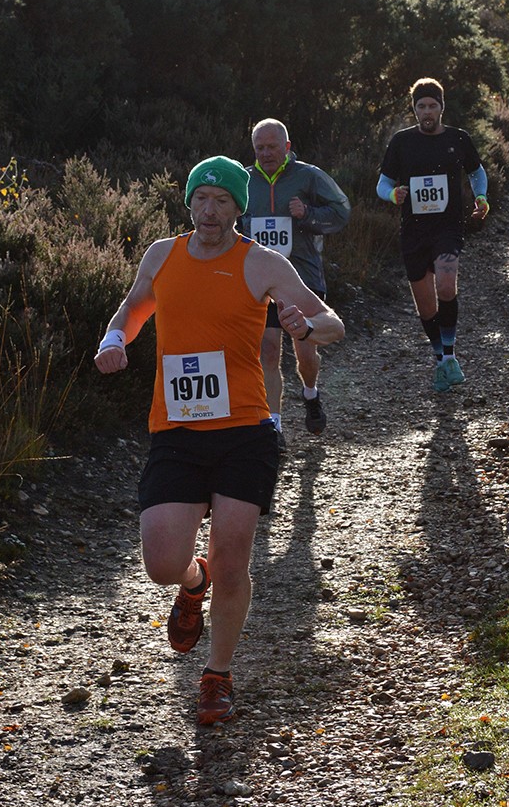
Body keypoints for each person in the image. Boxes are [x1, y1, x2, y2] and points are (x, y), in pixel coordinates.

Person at [94, 155, 344, 726]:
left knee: (234, 561)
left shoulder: (262, 263)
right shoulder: (162, 255)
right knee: (162, 563)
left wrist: (307, 327)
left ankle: (217, 675)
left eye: (222, 201)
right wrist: (115, 340)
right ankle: (192, 581)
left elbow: (332, 322)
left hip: (244, 432)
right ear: (190, 203)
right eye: (201, 199)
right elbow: (133, 308)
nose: (210, 211)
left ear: (238, 209)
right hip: (177, 432)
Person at [241, 118, 350, 445]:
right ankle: (273, 427)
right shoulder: (245, 181)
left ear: (286, 147)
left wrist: (308, 214)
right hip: (262, 282)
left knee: (304, 350)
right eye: (259, 148)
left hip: (303, 276)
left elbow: (342, 212)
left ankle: (310, 392)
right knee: (268, 349)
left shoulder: (308, 176)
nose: (265, 153)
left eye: (272, 147)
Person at [377, 77, 489, 393]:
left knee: (447, 285)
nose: (427, 111)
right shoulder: (402, 142)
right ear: (414, 109)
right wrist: (392, 195)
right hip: (413, 231)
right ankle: (441, 360)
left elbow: (477, 171)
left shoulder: (458, 138)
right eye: (421, 106)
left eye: (432, 105)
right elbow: (383, 183)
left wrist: (481, 197)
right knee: (426, 307)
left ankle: (450, 355)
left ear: (441, 107)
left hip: (448, 227)